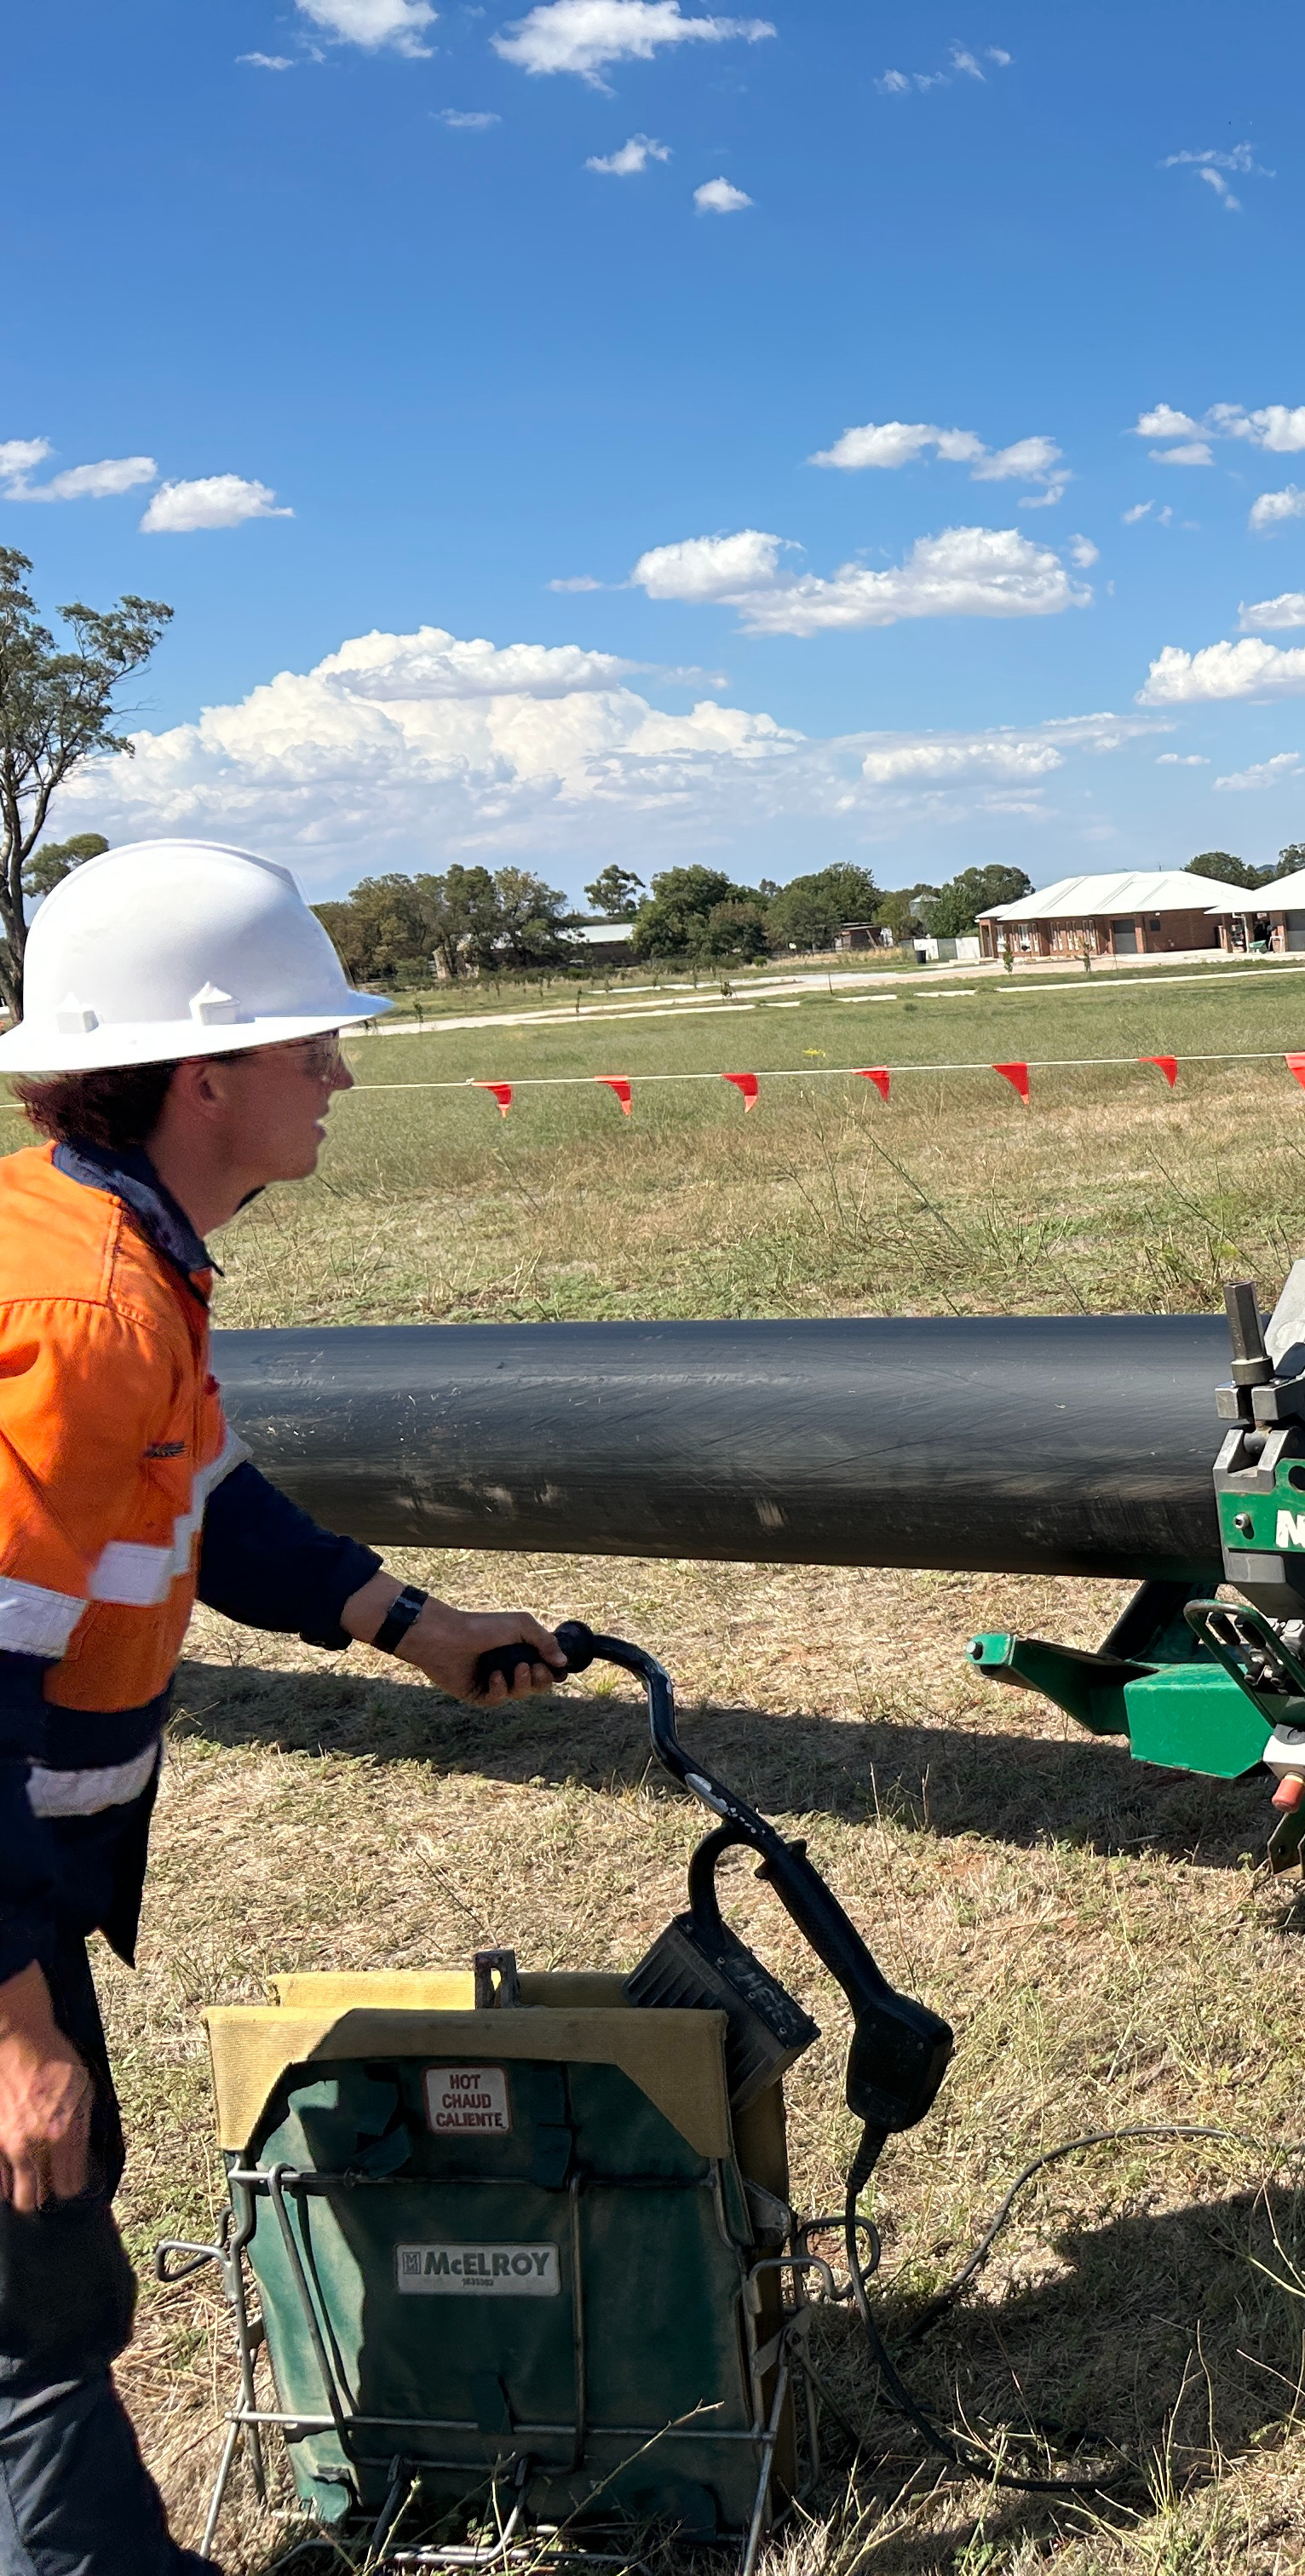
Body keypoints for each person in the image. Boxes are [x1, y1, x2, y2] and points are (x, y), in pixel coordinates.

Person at [0, 839, 568, 2575]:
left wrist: (414, 1624)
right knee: (31, 2311)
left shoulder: (111, 1253)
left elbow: (207, 1499)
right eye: (310, 1044)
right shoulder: (80, 1310)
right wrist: (14, 2032)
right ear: (203, 1073)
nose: (338, 1074)